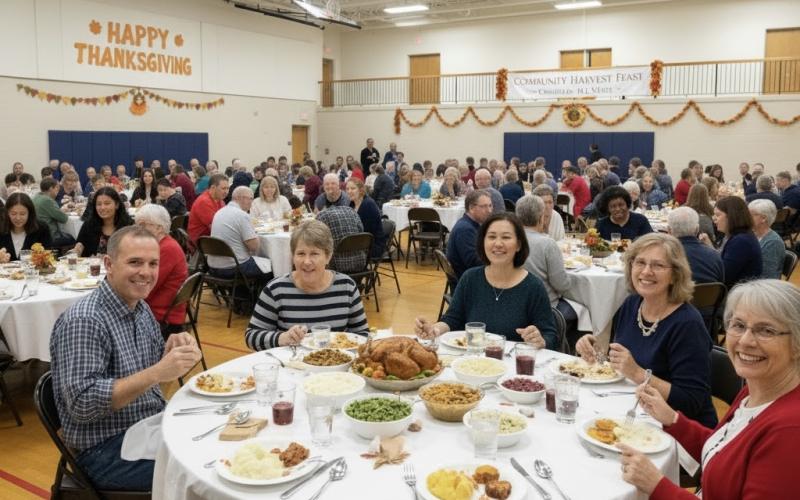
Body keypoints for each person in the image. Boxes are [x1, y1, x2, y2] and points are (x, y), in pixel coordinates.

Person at [50, 226, 202, 491]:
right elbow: (82, 405)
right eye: (135, 262)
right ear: (108, 264)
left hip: (145, 427)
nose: (146, 272)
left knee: (218, 440)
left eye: (153, 263)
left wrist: (170, 356)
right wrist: (158, 371)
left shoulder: (140, 307)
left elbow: (153, 382)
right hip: (103, 450)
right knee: (206, 470)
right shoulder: (85, 320)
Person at [619, 279, 800, 499]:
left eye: (767, 330)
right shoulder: (756, 390)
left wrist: (657, 485)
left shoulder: (790, 432)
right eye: (738, 325)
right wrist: (673, 419)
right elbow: (724, 449)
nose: (745, 340)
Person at [576, 233, 717, 428]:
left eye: (658, 265)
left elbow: (691, 402)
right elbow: (618, 366)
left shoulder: (687, 324)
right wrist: (594, 351)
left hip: (678, 429)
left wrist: (638, 374)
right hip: (634, 411)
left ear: (675, 274)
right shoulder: (632, 304)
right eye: (640, 262)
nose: (646, 271)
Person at [415, 212, 558, 348]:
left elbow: (550, 335)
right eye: (491, 237)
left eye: (506, 237)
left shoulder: (533, 287)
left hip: (512, 366)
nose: (498, 243)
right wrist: (435, 329)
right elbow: (453, 319)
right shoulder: (470, 278)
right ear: (483, 242)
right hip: (473, 363)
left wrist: (540, 340)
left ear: (519, 245)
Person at [245, 220, 369, 349]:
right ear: (293, 256)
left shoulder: (346, 286)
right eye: (301, 253)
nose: (307, 261)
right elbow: (251, 336)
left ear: (328, 257)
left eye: (314, 254)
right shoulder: (276, 290)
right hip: (291, 365)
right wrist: (282, 338)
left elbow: (363, 334)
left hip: (335, 367)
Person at [516, 195, 578, 347]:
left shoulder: (512, 239)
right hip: (546, 306)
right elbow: (561, 285)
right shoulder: (547, 244)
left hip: (517, 303)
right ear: (541, 217)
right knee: (583, 312)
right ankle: (564, 349)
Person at [135, 204, 189, 335]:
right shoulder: (160, 245)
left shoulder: (166, 249)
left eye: (142, 225)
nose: (137, 229)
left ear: (159, 228)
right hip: (158, 309)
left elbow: (147, 287)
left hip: (162, 316)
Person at [208, 186, 269, 280]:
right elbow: (254, 247)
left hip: (213, 266)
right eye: (250, 199)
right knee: (273, 266)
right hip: (234, 268)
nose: (251, 203)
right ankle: (258, 294)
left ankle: (241, 293)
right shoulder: (242, 215)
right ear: (240, 198)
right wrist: (255, 233)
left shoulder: (219, 212)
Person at [708, 196, 762, 289]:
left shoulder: (741, 241)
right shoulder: (739, 236)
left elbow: (723, 276)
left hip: (741, 295)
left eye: (718, 215)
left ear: (731, 216)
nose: (714, 219)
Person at [667, 207, 724, 285]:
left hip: (676, 297)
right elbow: (722, 284)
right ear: (697, 229)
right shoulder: (715, 256)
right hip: (709, 297)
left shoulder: (664, 257)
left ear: (669, 231)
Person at [446, 190, 493, 282]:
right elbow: (474, 262)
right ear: (471, 208)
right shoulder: (465, 229)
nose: (489, 210)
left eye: (490, 205)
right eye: (484, 206)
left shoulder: (471, 224)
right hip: (468, 282)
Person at [75, 187, 132, 257]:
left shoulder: (128, 226)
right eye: (99, 204)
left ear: (117, 205)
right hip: (93, 267)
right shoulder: (89, 225)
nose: (102, 208)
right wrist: (77, 250)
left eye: (107, 203)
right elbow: (80, 246)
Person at [0, 193, 52, 260]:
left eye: (22, 214)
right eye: (13, 214)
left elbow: (48, 256)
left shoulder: (41, 228)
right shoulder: (1, 228)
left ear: (30, 213)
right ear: (7, 213)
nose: (18, 218)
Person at [316, 205, 365, 273]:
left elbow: (318, 240)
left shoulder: (321, 216)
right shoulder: (352, 211)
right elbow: (361, 231)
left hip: (336, 266)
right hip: (360, 262)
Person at [346, 178, 386, 258]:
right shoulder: (352, 204)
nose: (349, 191)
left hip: (372, 245)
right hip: (360, 241)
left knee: (342, 250)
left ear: (360, 190)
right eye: (347, 189)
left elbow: (367, 230)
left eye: (353, 188)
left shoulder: (368, 204)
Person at [33, 178, 75, 247]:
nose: (58, 190)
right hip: (50, 237)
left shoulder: (36, 197)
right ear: (50, 188)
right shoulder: (48, 200)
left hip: (37, 236)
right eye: (56, 188)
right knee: (75, 238)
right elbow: (64, 219)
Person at [187, 174, 229, 244]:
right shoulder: (204, 202)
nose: (226, 192)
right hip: (201, 243)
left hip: (211, 238)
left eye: (228, 188)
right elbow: (216, 228)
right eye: (223, 188)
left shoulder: (220, 200)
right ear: (213, 188)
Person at [748, 199, 784, 280]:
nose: (746, 218)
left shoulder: (773, 243)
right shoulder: (753, 234)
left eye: (750, 215)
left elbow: (767, 276)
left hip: (761, 287)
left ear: (763, 218)